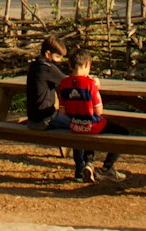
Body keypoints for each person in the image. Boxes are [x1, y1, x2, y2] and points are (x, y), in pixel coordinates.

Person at [55, 47, 130, 184]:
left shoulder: (63, 84)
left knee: (82, 133)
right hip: (92, 125)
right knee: (122, 132)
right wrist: (97, 88)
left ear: (71, 66)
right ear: (87, 65)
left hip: (75, 125)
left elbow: (63, 111)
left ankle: (84, 167)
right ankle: (107, 167)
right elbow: (98, 111)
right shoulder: (91, 85)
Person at [25, 34, 88, 180]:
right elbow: (72, 82)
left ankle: (82, 167)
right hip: (44, 120)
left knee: (74, 122)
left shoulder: (34, 66)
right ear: (48, 54)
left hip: (33, 119)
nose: (60, 61)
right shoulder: (47, 68)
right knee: (80, 125)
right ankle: (81, 169)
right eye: (58, 57)